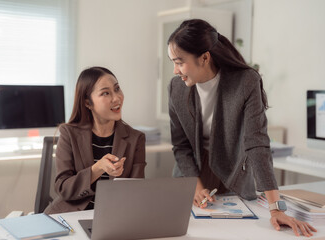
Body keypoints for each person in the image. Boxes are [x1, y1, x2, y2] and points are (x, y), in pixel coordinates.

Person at [167, 19, 316, 237]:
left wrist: (276, 208)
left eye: (179, 62)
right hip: (191, 174)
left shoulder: (245, 81)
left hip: (232, 173)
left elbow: (257, 144)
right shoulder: (176, 88)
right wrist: (195, 186)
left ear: (205, 57)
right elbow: (180, 145)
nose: (174, 70)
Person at [44, 66, 146, 214]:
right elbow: (63, 188)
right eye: (106, 93)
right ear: (87, 103)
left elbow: (137, 193)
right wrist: (98, 169)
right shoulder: (69, 133)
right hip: (70, 215)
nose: (116, 98)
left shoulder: (136, 139)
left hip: (113, 217)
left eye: (117, 89)